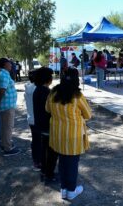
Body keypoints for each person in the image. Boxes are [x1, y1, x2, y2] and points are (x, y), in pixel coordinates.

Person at [45, 68, 92, 200]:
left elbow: (47, 109)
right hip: (73, 135)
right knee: (71, 163)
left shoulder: (53, 93)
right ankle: (71, 190)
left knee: (62, 162)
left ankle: (64, 189)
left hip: (57, 134)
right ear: (76, 79)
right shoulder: (78, 96)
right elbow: (88, 114)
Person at [0, 58, 20, 156]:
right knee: (8, 127)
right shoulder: (3, 74)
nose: (11, 65)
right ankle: (8, 148)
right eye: (9, 64)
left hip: (6, 105)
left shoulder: (2, 74)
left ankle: (4, 145)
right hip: (7, 106)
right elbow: (2, 91)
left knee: (4, 127)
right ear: (4, 65)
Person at [33, 67, 56, 182]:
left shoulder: (38, 89)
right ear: (47, 79)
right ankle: (49, 174)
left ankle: (44, 171)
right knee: (51, 151)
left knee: (44, 149)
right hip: (47, 125)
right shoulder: (46, 92)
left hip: (40, 124)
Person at [24, 70, 40, 171]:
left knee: (35, 140)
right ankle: (38, 162)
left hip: (31, 118)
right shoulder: (37, 89)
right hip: (38, 119)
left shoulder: (27, 87)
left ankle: (36, 160)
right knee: (39, 142)